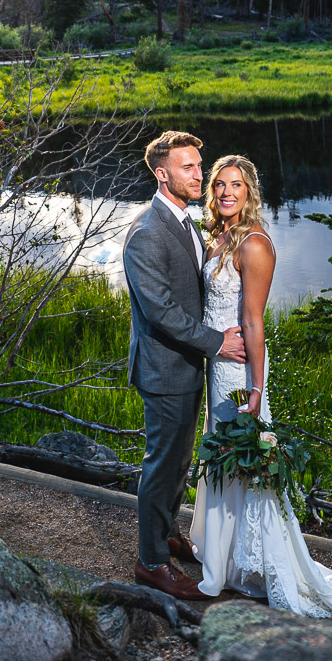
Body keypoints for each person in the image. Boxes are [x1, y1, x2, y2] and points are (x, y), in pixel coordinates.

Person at [189, 154, 332, 621]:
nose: (226, 192)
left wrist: (257, 391)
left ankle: (256, 562)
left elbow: (253, 320)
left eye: (236, 186)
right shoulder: (216, 237)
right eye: (220, 184)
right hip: (215, 365)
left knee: (245, 460)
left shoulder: (255, 245)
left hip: (241, 371)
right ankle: (222, 559)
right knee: (220, 456)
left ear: (250, 192)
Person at [123, 130, 247, 601]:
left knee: (179, 463)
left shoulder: (184, 220)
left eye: (200, 164)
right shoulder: (146, 232)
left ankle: (166, 534)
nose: (201, 174)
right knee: (162, 465)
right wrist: (218, 342)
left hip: (186, 366)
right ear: (162, 174)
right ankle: (152, 563)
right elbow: (162, 312)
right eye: (189, 168)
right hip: (165, 369)